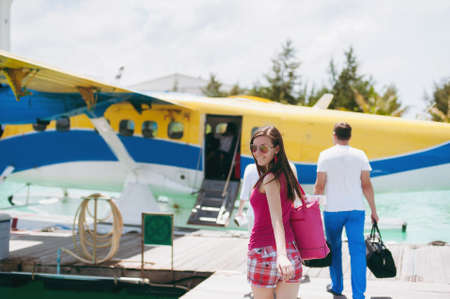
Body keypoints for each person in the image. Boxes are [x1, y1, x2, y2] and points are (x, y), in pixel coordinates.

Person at [314, 122, 379, 299]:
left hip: (333, 210)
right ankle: (358, 294)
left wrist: (313, 210)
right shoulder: (360, 155)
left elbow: (319, 187)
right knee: (357, 251)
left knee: (334, 248)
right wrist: (374, 210)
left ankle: (337, 286)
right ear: (349, 136)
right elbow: (366, 185)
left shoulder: (325, 155)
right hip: (356, 209)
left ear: (334, 135)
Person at [247, 126, 304, 299]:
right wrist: (285, 254)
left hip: (265, 252)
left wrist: (280, 256)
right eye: (254, 148)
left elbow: (276, 219)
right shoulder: (290, 170)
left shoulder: (269, 179)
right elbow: (296, 203)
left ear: (276, 148)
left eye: (263, 148)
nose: (257, 153)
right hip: (291, 250)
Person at [236, 162, 298, 234]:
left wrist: (239, 211)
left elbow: (244, 193)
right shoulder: (287, 167)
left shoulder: (250, 169)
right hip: (277, 215)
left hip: (254, 214)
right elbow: (294, 193)